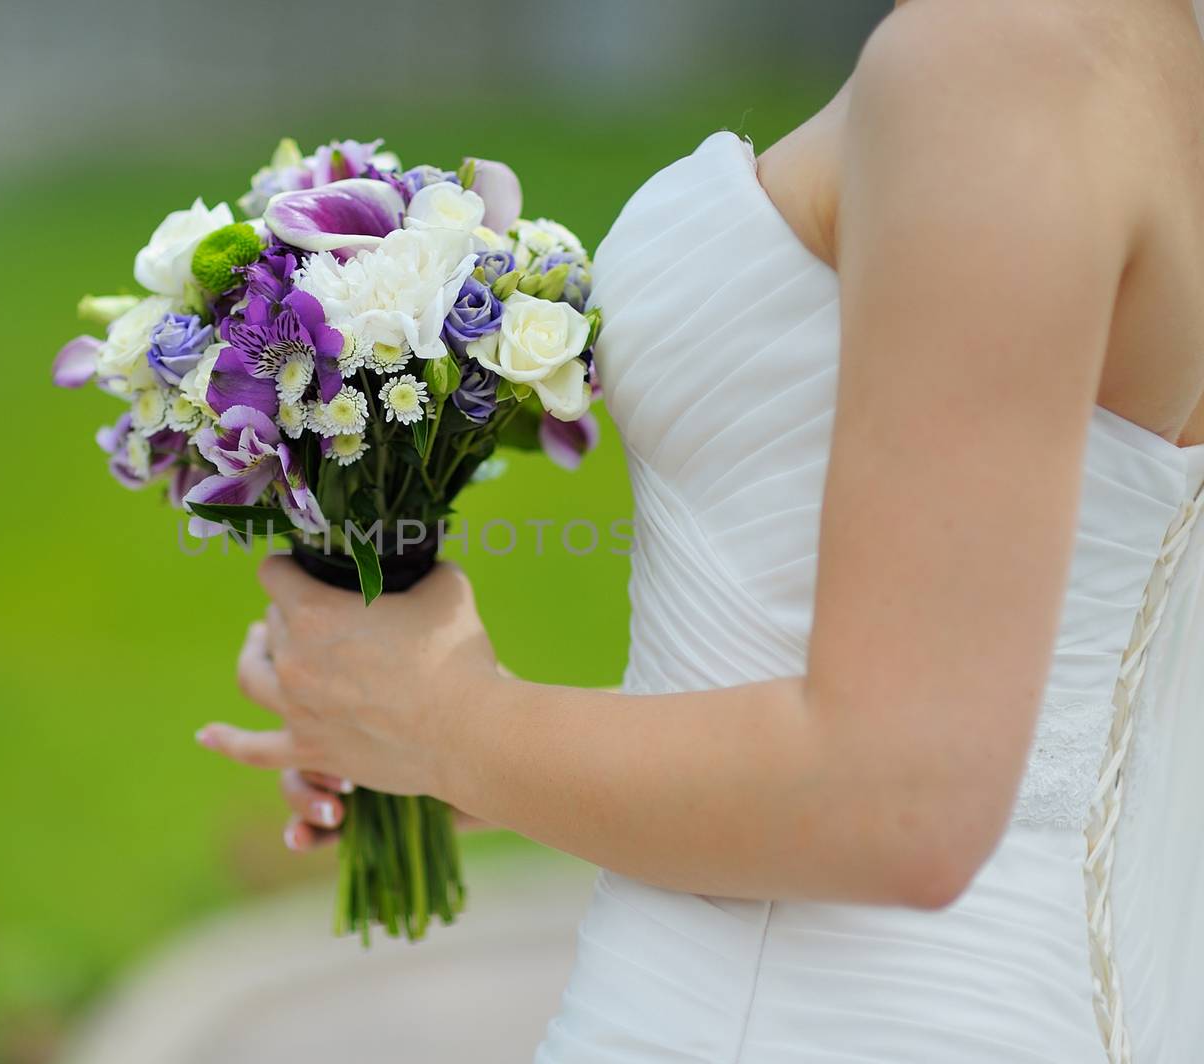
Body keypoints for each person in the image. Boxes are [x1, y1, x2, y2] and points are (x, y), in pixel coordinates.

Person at [195, 0, 1204, 1058]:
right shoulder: (1146, 55)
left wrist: (446, 721)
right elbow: (999, 718)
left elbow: (902, 797)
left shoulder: (996, 58)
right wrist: (437, 743)